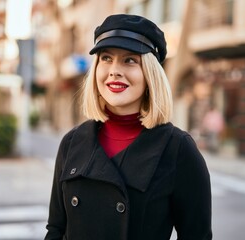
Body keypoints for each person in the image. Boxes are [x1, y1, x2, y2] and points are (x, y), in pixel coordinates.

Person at [45, 14, 212, 240]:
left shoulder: (178, 149)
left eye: (130, 60)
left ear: (150, 75)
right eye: (106, 58)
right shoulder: (72, 142)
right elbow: (56, 230)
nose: (114, 70)